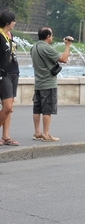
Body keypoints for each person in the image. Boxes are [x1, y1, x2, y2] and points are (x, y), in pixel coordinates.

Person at [30, 27, 73, 142]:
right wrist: (67, 45)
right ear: (48, 36)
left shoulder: (33, 47)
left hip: (38, 83)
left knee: (37, 109)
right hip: (48, 83)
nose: (52, 37)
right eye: (52, 35)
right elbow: (63, 59)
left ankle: (37, 133)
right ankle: (46, 134)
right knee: (47, 110)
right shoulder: (47, 48)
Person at [0, 10, 19, 146]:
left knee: (9, 108)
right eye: (13, 21)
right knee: (6, 107)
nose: (15, 23)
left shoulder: (9, 35)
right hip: (3, 74)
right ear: (8, 22)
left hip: (13, 73)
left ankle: (6, 136)